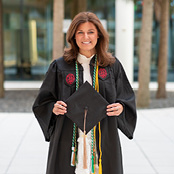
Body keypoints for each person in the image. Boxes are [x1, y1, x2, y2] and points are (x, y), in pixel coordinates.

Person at [33, 12, 137, 174]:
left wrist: (121, 108)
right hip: (68, 136)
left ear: (99, 35)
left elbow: (126, 98)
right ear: (73, 36)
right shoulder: (60, 66)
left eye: (91, 32)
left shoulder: (112, 66)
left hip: (103, 135)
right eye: (80, 32)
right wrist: (54, 107)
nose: (85, 37)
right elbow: (43, 102)